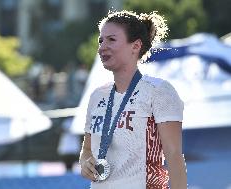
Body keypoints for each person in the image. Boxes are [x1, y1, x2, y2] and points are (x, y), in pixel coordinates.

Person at [79, 10, 187, 189]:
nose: (102, 47)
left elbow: (174, 156)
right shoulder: (97, 95)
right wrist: (86, 163)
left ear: (136, 46)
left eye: (111, 40)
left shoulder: (158, 91)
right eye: (101, 40)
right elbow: (87, 150)